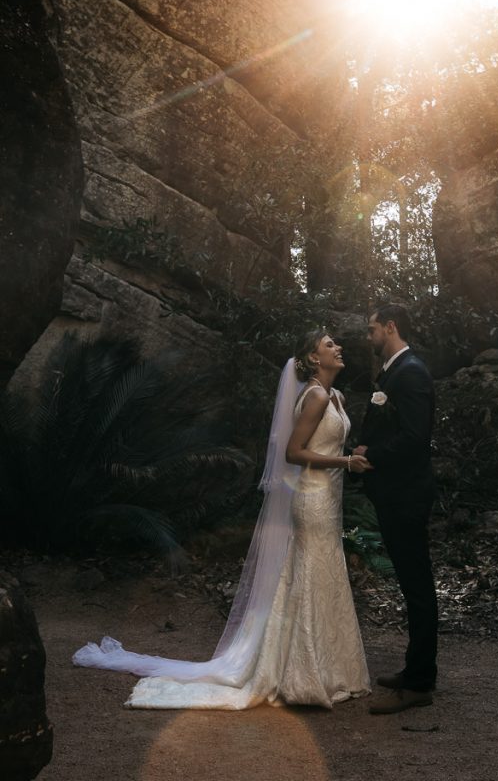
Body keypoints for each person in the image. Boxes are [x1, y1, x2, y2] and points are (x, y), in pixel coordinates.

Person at [73, 330, 372, 710]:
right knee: (310, 576)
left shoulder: (337, 397)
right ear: (314, 358)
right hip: (311, 499)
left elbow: (326, 444)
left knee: (327, 575)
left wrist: (352, 452)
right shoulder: (313, 395)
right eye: (329, 345)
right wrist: (345, 462)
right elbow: (294, 453)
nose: (338, 348)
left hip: (331, 500)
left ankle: (332, 670)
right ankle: (303, 675)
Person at [353, 303, 438, 714]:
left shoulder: (413, 372)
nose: (368, 337)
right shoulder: (392, 373)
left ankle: (421, 683)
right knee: (410, 585)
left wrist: (375, 454)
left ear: (391, 327)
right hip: (393, 494)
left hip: (406, 496)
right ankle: (413, 669)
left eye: (372, 330)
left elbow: (415, 438)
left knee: (418, 587)